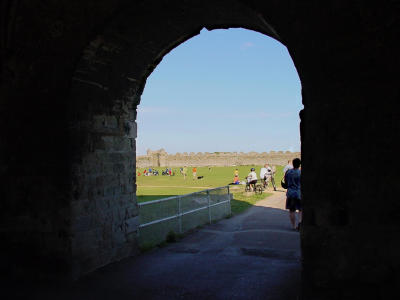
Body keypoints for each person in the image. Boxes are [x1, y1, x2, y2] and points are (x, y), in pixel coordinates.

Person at [284, 158, 302, 230]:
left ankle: (294, 226)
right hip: (298, 193)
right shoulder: (300, 173)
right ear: (299, 164)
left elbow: (285, 181)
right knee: (301, 209)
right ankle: (300, 222)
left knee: (292, 210)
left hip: (290, 193)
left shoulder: (288, 172)